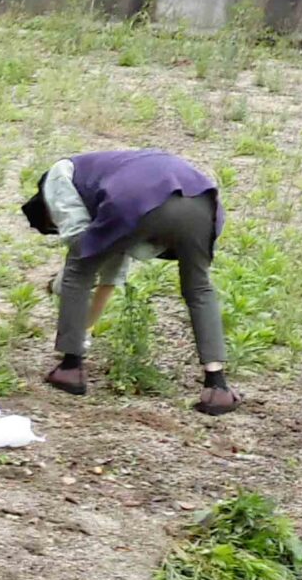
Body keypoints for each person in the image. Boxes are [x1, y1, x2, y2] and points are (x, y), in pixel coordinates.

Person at [25, 150, 235, 415]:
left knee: (79, 270)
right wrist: (86, 327)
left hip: (140, 200)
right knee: (198, 287)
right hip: (202, 202)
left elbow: (83, 249)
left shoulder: (59, 175)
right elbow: (113, 256)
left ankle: (70, 368)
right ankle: (217, 386)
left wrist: (60, 286)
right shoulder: (109, 171)